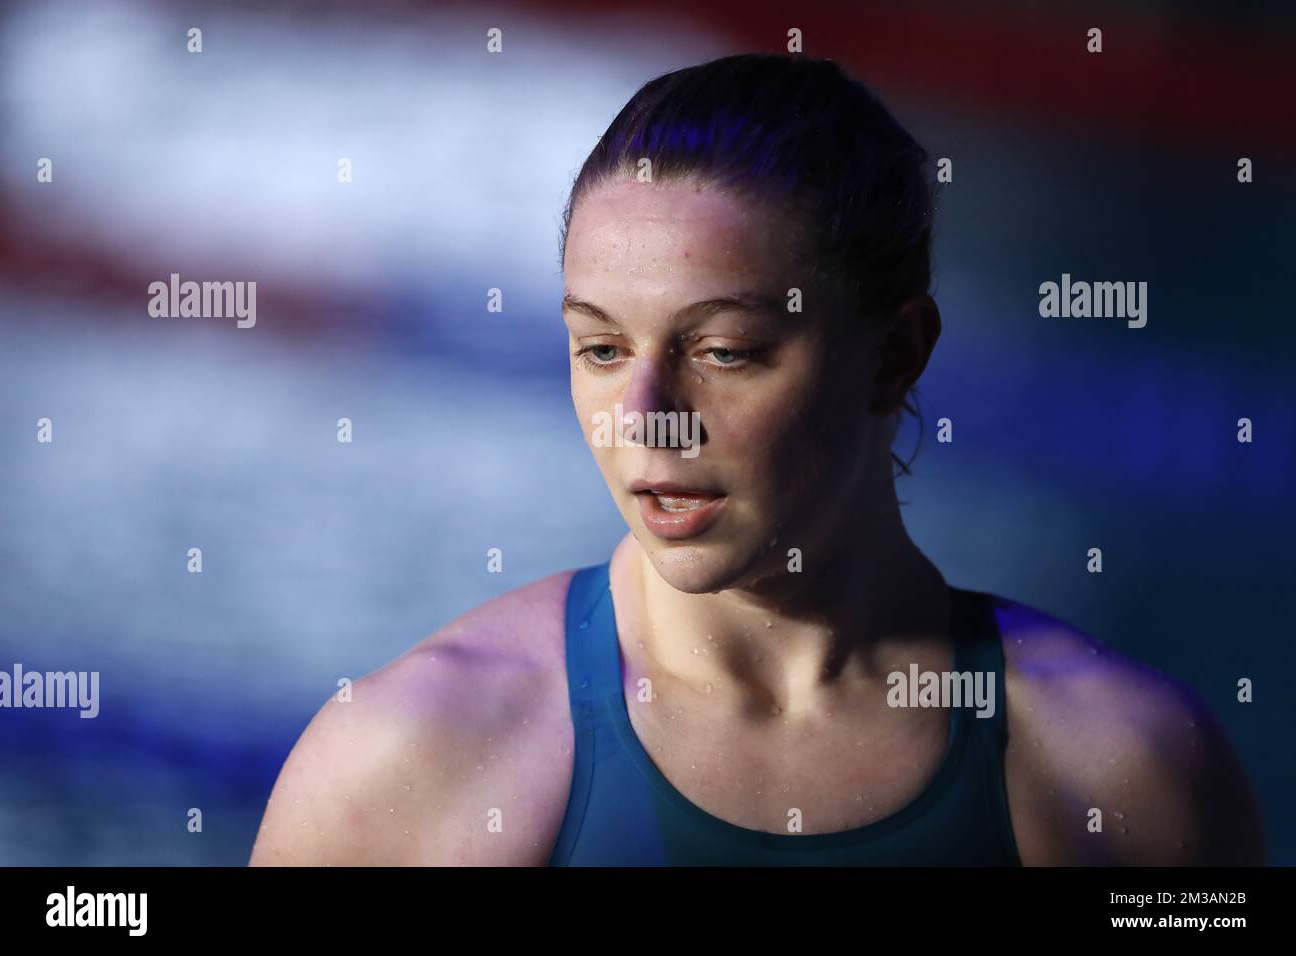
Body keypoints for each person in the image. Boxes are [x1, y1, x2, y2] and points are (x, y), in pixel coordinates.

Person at [249, 53, 1264, 866]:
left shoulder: (1117, 769)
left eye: (723, 350)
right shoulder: (409, 761)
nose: (644, 417)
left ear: (897, 354)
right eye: (601, 348)